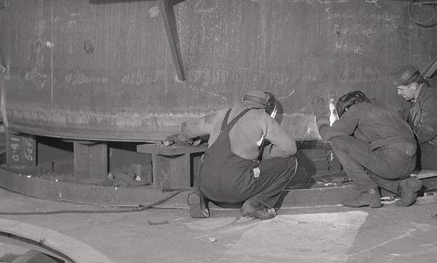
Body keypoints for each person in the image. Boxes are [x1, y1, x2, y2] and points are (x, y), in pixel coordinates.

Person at [172, 91, 298, 220]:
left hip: (208, 187)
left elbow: (187, 127)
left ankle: (199, 192)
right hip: (237, 189)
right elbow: (289, 149)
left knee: (208, 158)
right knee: (291, 163)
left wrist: (183, 138)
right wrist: (266, 153)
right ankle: (256, 204)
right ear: (268, 107)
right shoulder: (262, 118)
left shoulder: (221, 114)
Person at [314, 91, 422, 208]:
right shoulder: (384, 108)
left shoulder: (356, 109)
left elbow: (328, 135)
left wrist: (321, 120)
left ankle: (368, 192)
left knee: (338, 141)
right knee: (365, 162)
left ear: (346, 110)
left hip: (391, 160)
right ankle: (402, 186)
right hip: (410, 163)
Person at [394, 65, 437, 170]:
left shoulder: (433, 100)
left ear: (413, 86)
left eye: (401, 89)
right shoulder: (411, 100)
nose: (398, 93)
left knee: (394, 150)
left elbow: (423, 133)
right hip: (427, 148)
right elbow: (399, 119)